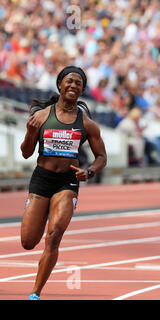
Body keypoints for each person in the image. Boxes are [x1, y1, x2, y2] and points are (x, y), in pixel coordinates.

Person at [20, 66, 107, 300]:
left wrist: (89, 172)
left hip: (67, 183)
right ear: (60, 84)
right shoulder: (41, 117)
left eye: (78, 83)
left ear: (82, 90)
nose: (73, 85)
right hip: (41, 180)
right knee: (28, 242)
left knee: (54, 235)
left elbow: (101, 157)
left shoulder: (87, 124)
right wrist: (30, 134)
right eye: (69, 81)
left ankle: (35, 293)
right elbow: (26, 153)